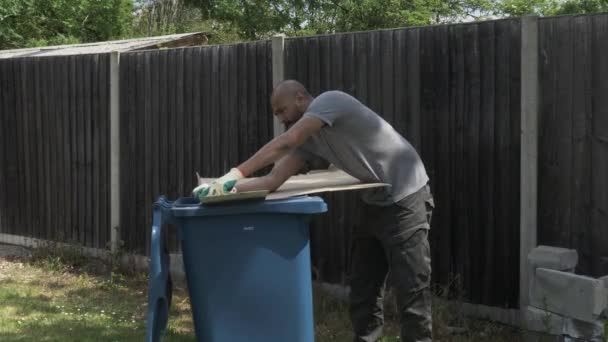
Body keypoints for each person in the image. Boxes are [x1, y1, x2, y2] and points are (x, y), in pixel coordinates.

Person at [193, 80, 435, 342]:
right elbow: (272, 181)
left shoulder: (330, 101)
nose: (281, 119)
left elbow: (286, 141)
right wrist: (223, 188)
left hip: (405, 196)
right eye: (276, 114)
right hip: (373, 203)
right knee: (364, 288)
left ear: (300, 97)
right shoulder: (311, 143)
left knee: (411, 291)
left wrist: (236, 172)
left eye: (281, 111)